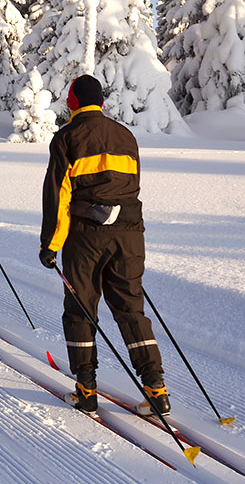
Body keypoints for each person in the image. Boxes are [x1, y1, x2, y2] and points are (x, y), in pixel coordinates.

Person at [39, 74, 170, 417]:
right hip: (130, 235)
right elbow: (131, 188)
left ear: (73, 102)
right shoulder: (126, 136)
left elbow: (59, 198)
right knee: (131, 309)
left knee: (81, 309)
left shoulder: (66, 138)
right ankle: (156, 389)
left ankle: (86, 390)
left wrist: (50, 245)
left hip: (87, 236)